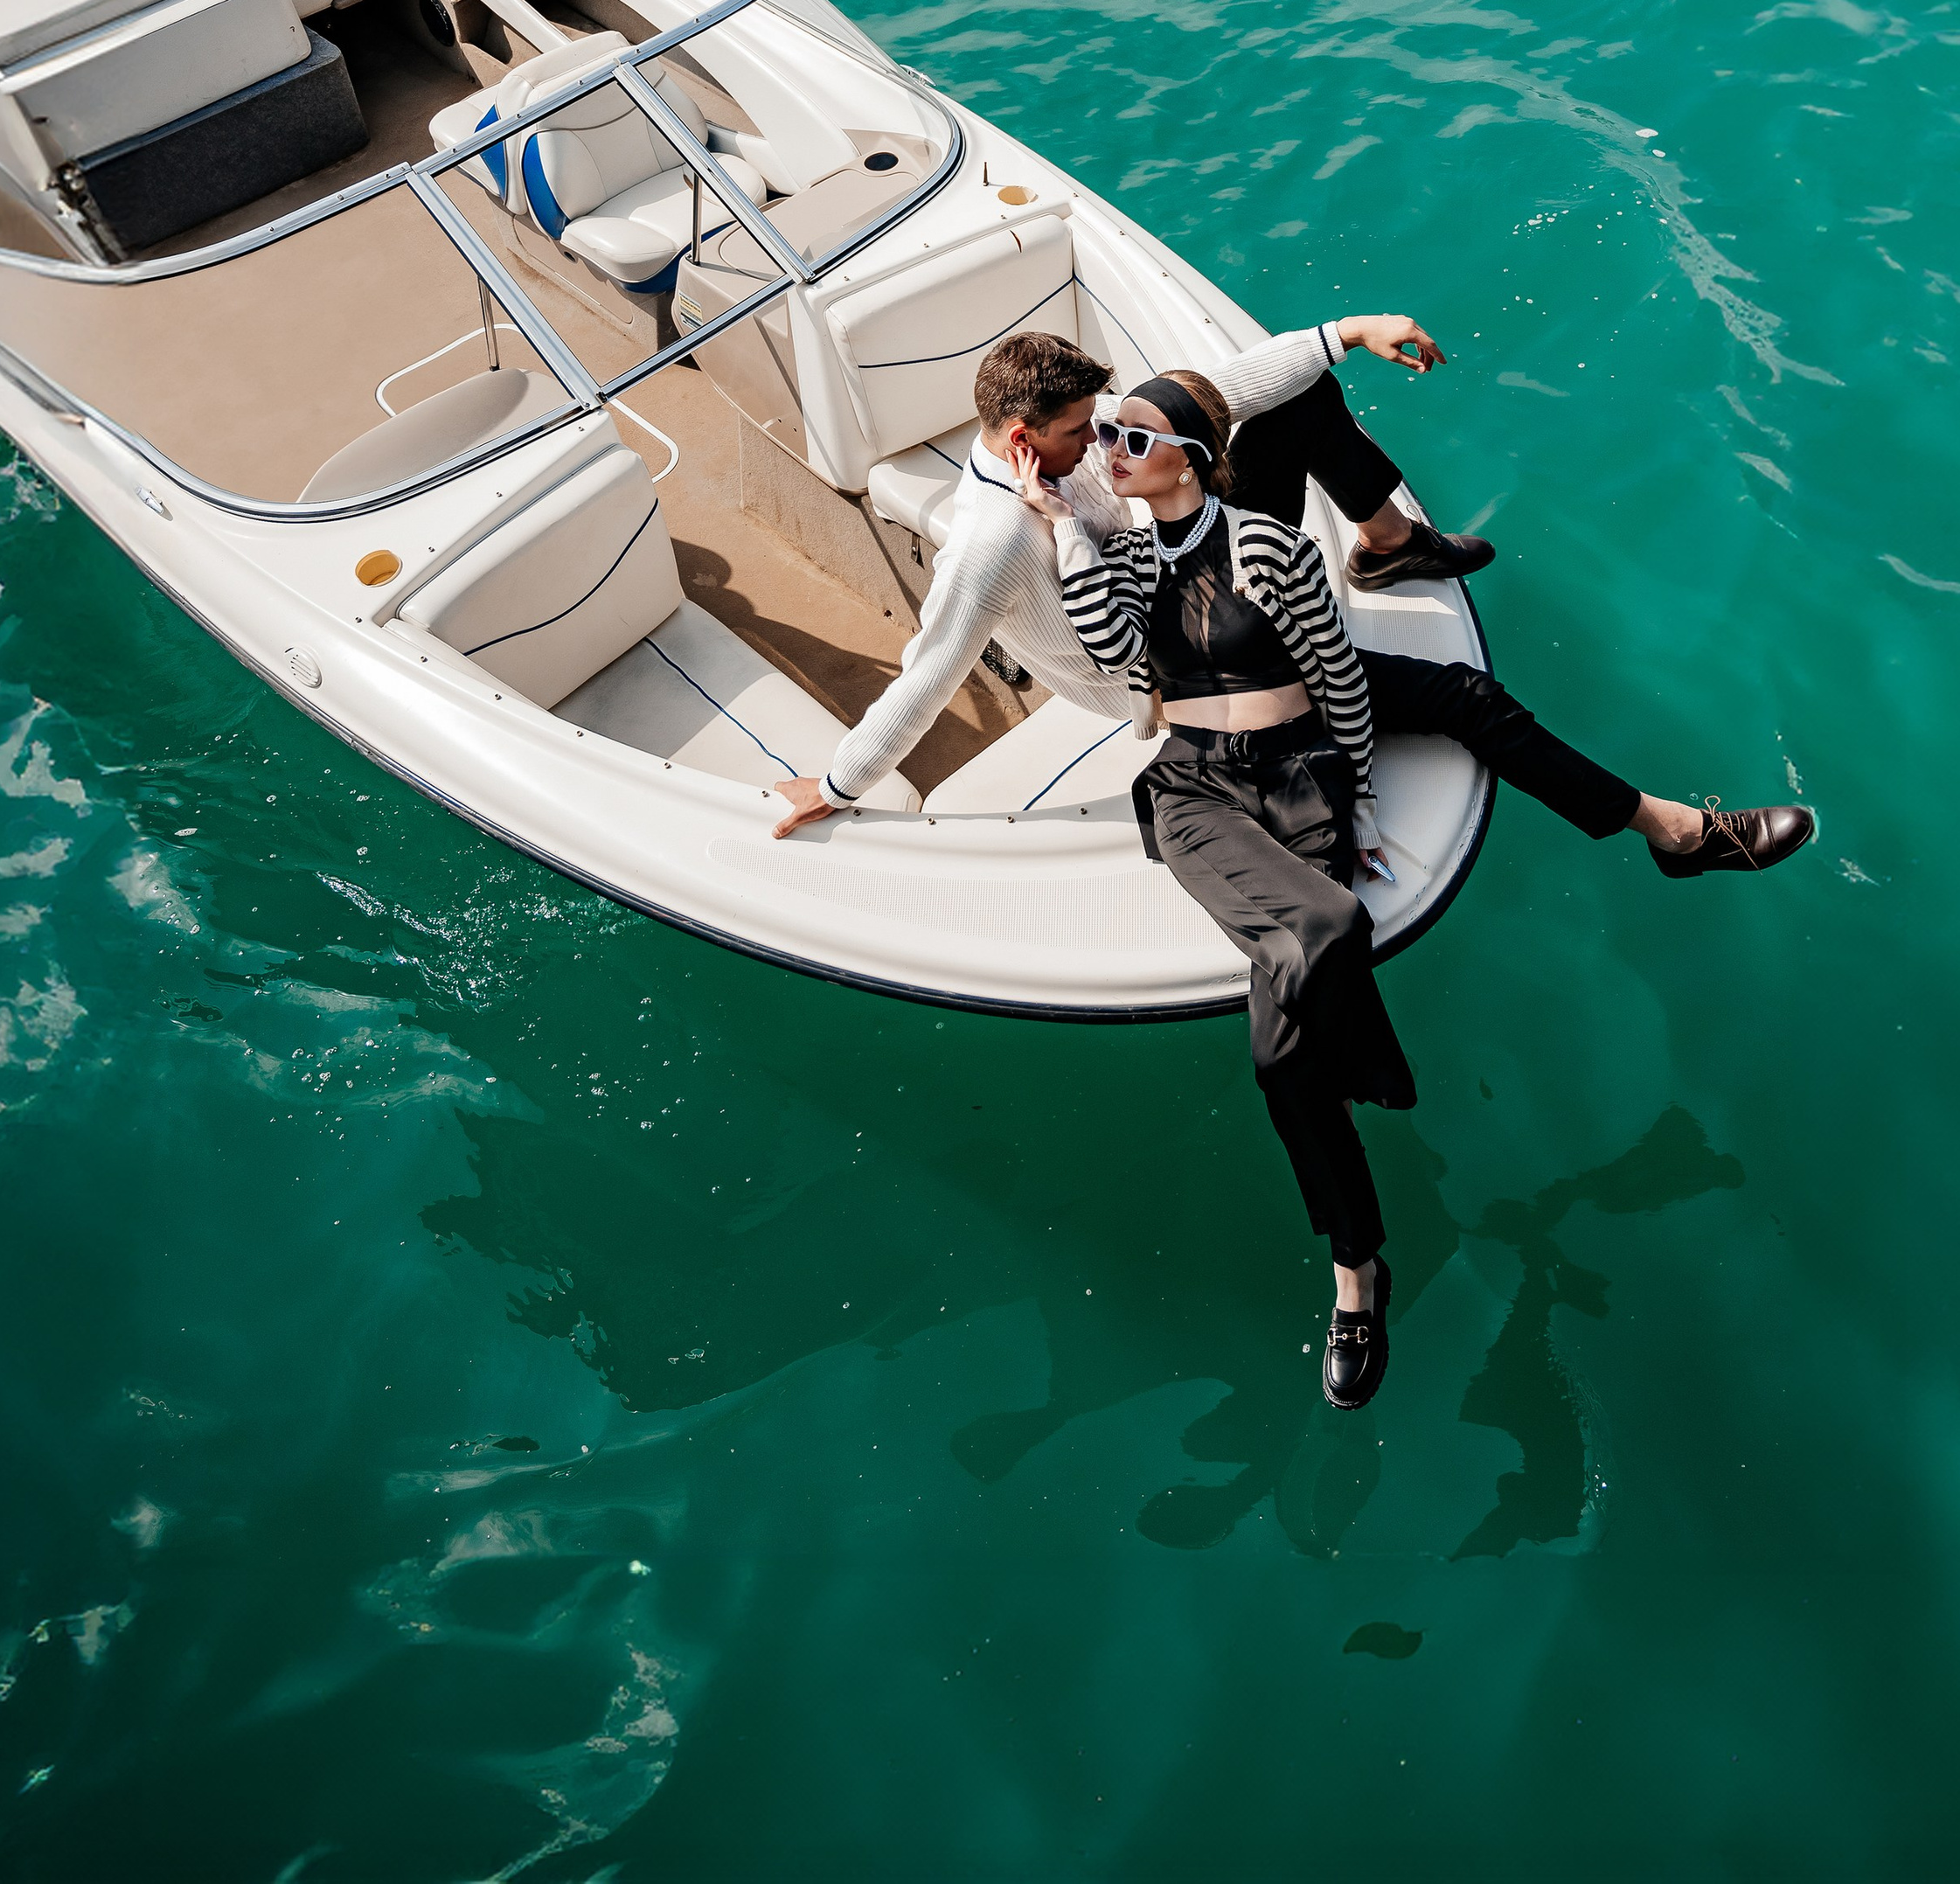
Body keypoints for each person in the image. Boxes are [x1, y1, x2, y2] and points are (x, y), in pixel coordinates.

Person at [1037, 372, 1816, 1415]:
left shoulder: (1267, 546)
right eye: (1106, 435)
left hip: (1297, 758)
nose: (1109, 450)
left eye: (1133, 437)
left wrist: (1357, 798)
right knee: (1317, 955)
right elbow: (1113, 653)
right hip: (1194, 788)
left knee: (1282, 1043)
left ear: (1192, 454)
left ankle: (1356, 1271)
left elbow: (1337, 674)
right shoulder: (1125, 556)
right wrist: (1068, 532)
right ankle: (1360, 1244)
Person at [769, 311, 1488, 841]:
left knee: (1297, 400)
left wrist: (1350, 333)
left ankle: (1388, 544)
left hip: (1173, 576)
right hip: (1162, 669)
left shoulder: (1068, 435)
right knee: (1435, 695)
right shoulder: (990, 544)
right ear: (1023, 438)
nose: (1100, 440)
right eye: (1082, 430)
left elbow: (1221, 394)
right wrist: (836, 784)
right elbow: (928, 672)